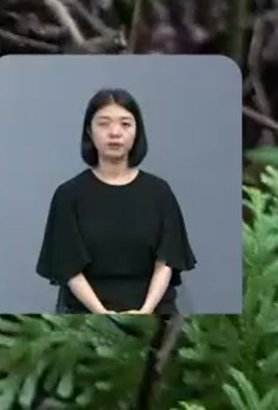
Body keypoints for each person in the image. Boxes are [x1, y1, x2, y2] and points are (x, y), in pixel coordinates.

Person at [34, 88, 197, 315]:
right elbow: (68, 267)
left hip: (155, 312)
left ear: (137, 132)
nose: (115, 133)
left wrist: (145, 312)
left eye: (125, 124)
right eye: (104, 124)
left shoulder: (159, 192)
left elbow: (167, 261)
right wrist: (102, 314)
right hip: (85, 314)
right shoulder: (69, 195)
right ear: (89, 132)